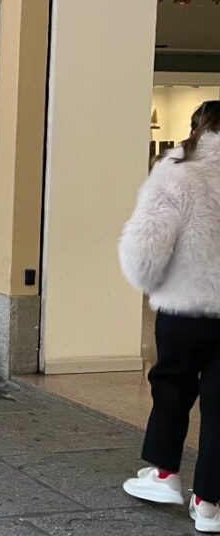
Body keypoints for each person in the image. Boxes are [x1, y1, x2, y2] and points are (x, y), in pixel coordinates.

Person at [119, 101, 220, 533]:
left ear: (198, 127)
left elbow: (147, 244)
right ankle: (209, 504)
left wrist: (149, 282)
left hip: (184, 306)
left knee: (173, 384)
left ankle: (164, 474)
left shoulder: (177, 169)